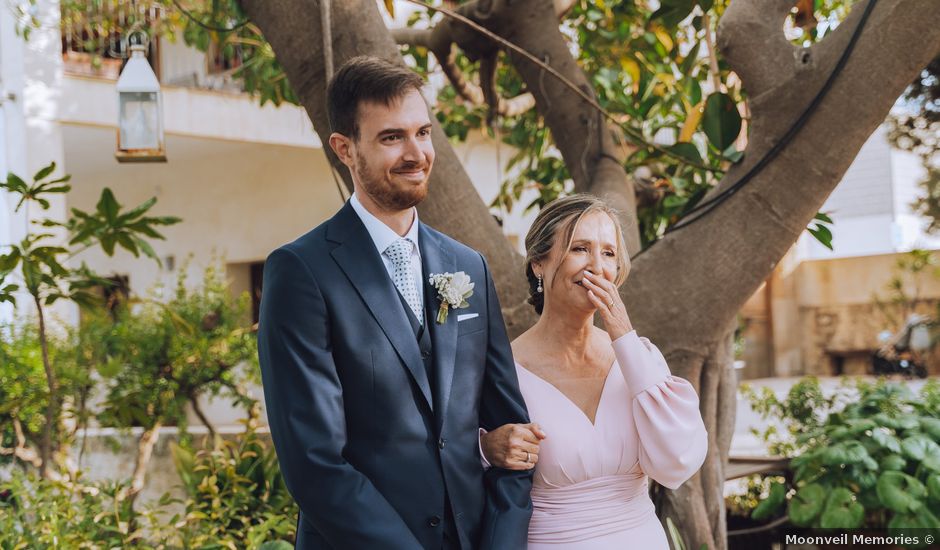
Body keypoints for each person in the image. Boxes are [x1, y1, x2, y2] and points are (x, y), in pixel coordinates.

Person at [257, 56, 534, 550]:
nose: (416, 153)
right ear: (344, 148)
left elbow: (512, 435)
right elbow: (314, 463)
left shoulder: (468, 266)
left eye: (422, 133)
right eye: (392, 138)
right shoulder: (301, 272)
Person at [482, 194, 708, 549]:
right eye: (579, 249)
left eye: (608, 253)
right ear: (539, 262)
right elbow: (455, 459)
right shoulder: (504, 371)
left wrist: (625, 337)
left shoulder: (640, 357)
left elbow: (677, 462)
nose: (596, 267)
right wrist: (485, 448)